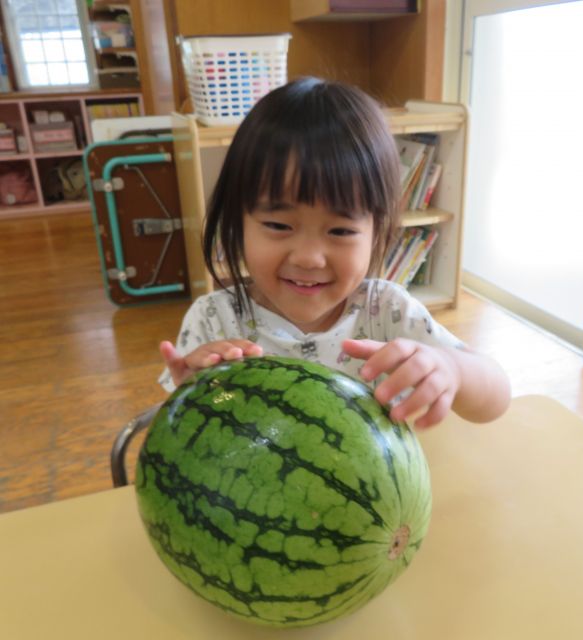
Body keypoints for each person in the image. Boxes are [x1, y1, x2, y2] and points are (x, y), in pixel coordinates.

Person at [159, 77, 510, 428]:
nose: (309, 258)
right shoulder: (213, 321)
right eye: (279, 226)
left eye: (340, 230)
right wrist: (193, 390)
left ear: (377, 232)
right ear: (238, 221)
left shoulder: (387, 313)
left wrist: (454, 369)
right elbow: (187, 435)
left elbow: (496, 398)